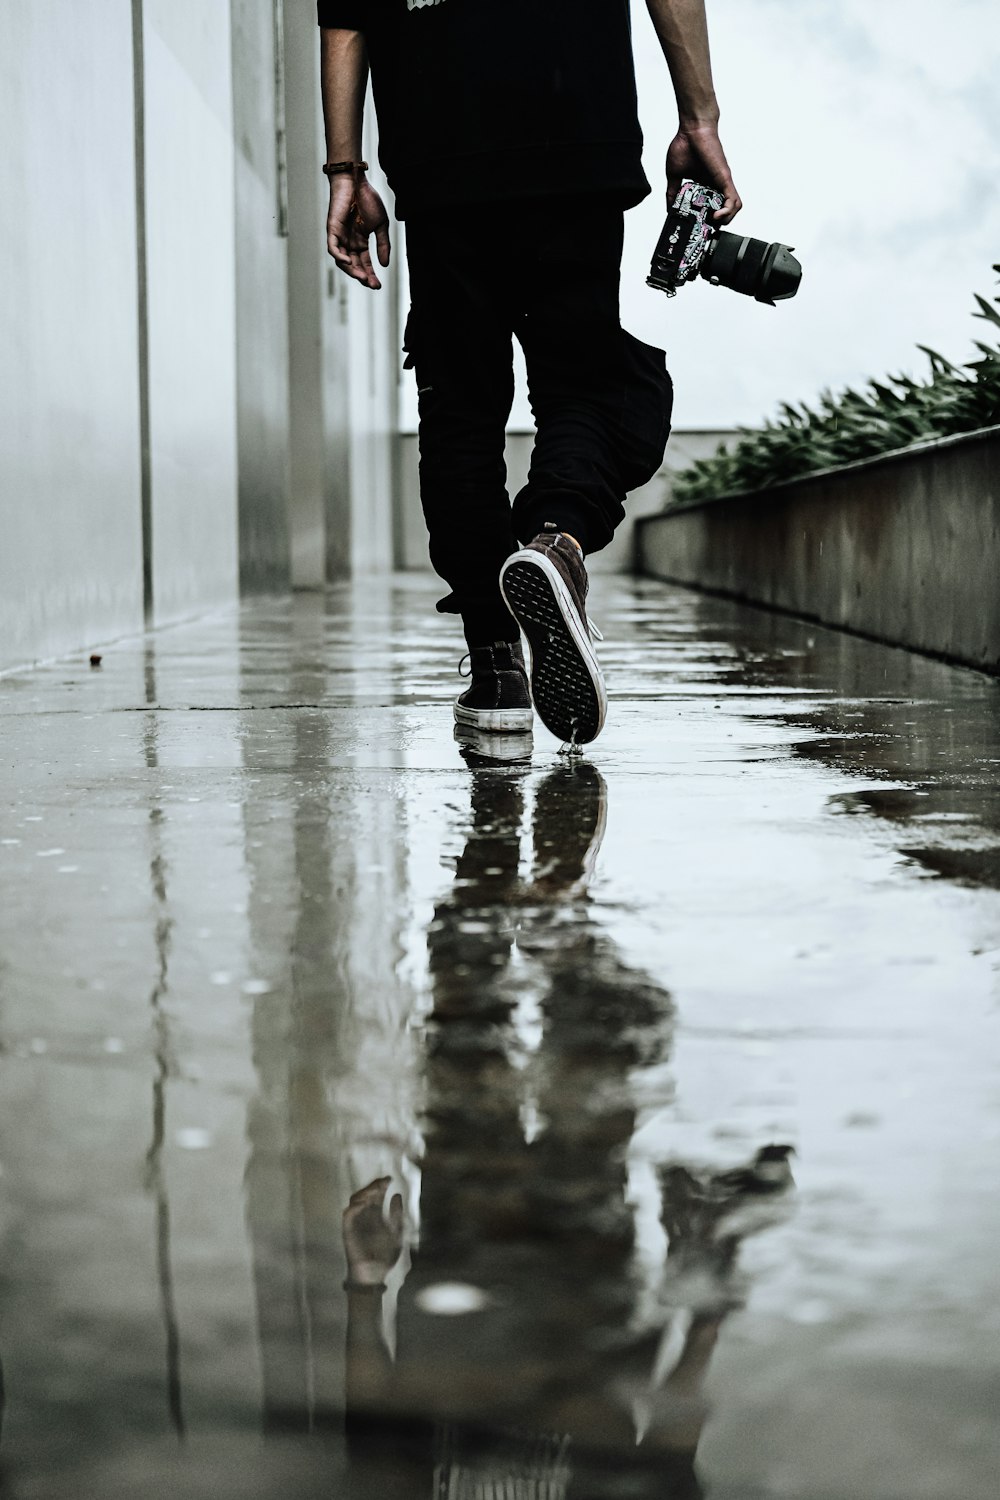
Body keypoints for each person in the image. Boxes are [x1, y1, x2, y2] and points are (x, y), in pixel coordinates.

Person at [318, 0, 740, 746]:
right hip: (576, 129)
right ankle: (557, 544)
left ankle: (496, 673)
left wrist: (345, 169)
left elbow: (346, 17)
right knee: (582, 383)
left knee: (460, 409)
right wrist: (698, 117)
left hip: (441, 150)